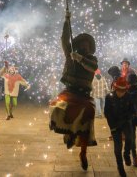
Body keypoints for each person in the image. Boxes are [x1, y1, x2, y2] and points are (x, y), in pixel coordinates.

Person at [49, 10, 98, 171]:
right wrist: (66, 21)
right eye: (82, 43)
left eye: (87, 44)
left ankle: (83, 152)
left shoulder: (92, 59)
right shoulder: (69, 53)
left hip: (84, 95)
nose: (84, 45)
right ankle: (68, 133)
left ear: (89, 47)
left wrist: (81, 59)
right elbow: (64, 39)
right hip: (70, 91)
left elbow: (93, 67)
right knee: (58, 107)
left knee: (89, 114)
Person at [104, 76, 133, 177]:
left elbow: (132, 111)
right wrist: (113, 126)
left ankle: (126, 154)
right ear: (116, 89)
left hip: (126, 123)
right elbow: (107, 113)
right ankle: (120, 167)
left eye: (123, 91)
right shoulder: (109, 97)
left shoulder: (129, 97)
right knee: (117, 148)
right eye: (119, 91)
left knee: (129, 139)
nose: (121, 93)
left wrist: (127, 119)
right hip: (115, 124)